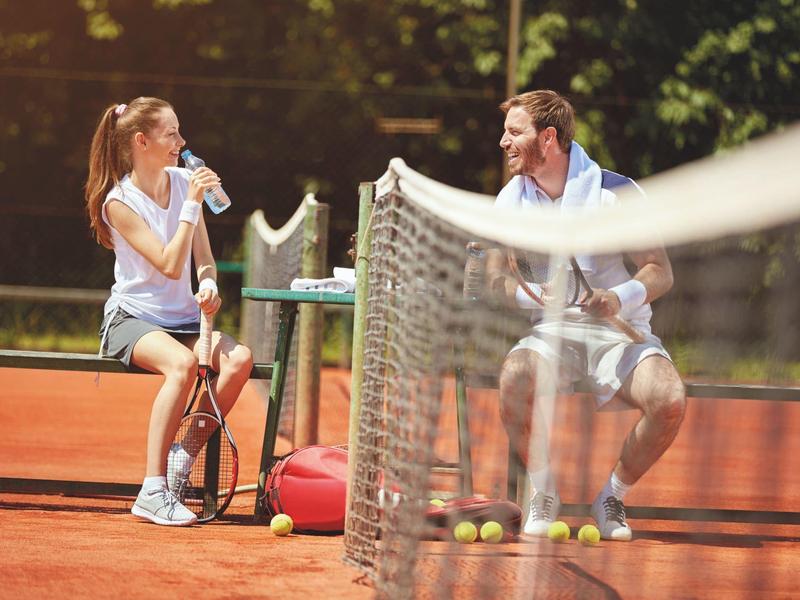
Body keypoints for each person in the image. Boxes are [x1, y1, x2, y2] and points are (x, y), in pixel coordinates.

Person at [486, 90, 686, 541]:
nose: (503, 141)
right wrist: (539, 297)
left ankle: (612, 495)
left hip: (621, 334)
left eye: (515, 132)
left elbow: (660, 271)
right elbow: (494, 279)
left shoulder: (616, 192)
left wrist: (616, 297)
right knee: (513, 378)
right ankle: (543, 490)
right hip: (550, 333)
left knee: (669, 399)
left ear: (548, 138)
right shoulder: (509, 201)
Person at [84, 97, 253, 526]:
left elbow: (203, 261)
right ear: (142, 141)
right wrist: (192, 204)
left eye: (179, 131)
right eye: (171, 133)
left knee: (239, 360)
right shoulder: (118, 202)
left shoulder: (182, 182)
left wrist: (210, 284)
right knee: (181, 365)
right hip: (131, 320)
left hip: (182, 320)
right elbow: (168, 263)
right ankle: (152, 490)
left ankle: (182, 458)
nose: (182, 141)